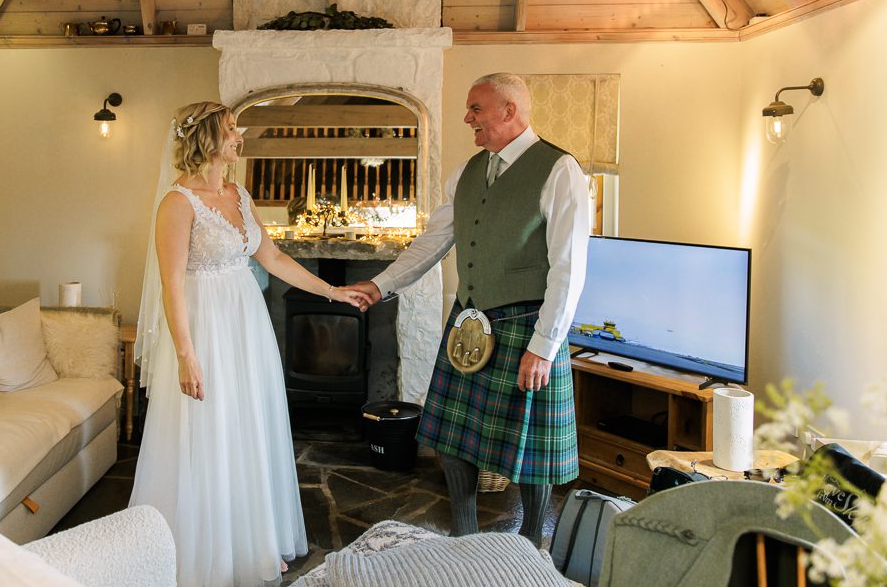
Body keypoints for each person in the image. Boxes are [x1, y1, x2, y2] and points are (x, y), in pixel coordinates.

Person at [130, 101, 369, 587]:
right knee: (210, 433)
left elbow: (274, 256)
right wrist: (186, 354)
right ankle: (207, 551)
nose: (240, 137)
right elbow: (171, 284)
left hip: (246, 325)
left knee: (247, 429)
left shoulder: (240, 195)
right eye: (232, 129)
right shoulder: (176, 204)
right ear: (207, 140)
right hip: (206, 329)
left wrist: (334, 292)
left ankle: (251, 540)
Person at [348, 73, 589, 546]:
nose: (467, 119)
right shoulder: (467, 171)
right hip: (468, 324)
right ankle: (464, 532)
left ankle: (530, 540)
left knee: (530, 448)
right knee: (449, 434)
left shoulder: (560, 170)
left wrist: (544, 346)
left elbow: (570, 267)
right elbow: (433, 241)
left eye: (476, 109)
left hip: (526, 328)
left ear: (509, 111)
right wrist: (380, 285)